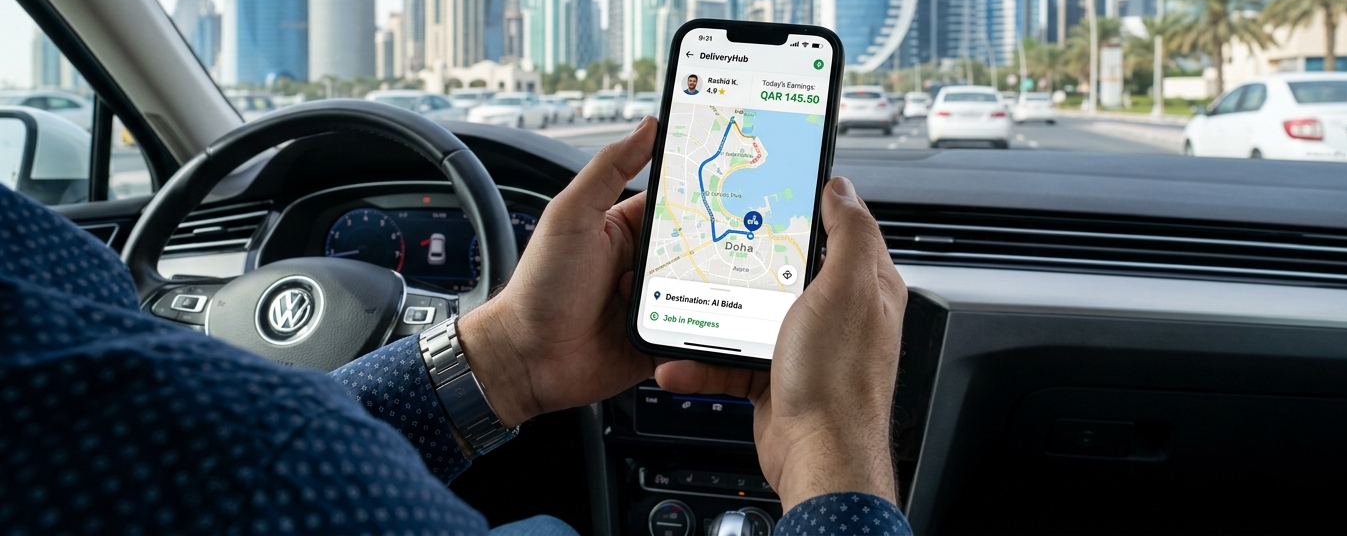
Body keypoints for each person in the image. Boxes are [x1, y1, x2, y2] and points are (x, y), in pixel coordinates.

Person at [0, 117, 911, 535]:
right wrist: (832, 440)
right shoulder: (275, 464)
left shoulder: (195, 454)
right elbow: (239, 464)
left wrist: (507, 352)